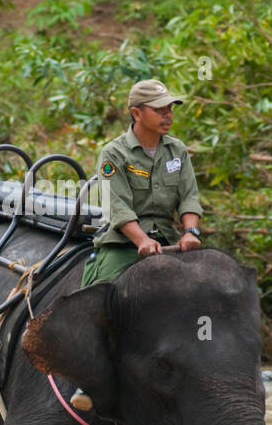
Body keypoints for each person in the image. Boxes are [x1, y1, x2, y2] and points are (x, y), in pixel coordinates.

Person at [81, 78, 204, 289]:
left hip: (169, 240)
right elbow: (117, 206)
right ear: (137, 114)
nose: (168, 115)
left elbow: (189, 197)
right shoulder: (113, 153)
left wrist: (190, 232)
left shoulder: (177, 150)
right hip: (125, 244)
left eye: (170, 109)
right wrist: (142, 241)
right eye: (160, 110)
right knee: (103, 294)